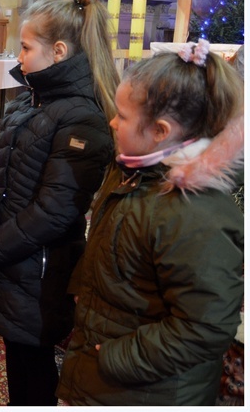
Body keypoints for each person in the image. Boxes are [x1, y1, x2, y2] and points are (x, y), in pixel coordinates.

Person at [0, 0, 119, 406]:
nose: (18, 58)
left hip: (39, 270)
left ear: (58, 52)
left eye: (25, 48)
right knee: (19, 361)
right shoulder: (32, 101)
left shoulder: (83, 117)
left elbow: (55, 213)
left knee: (34, 369)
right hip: (14, 263)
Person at [56, 39, 244, 406]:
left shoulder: (195, 212)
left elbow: (204, 326)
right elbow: (109, 242)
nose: (111, 121)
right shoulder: (133, 170)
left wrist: (114, 357)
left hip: (144, 387)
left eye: (123, 117)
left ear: (160, 131)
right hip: (103, 365)